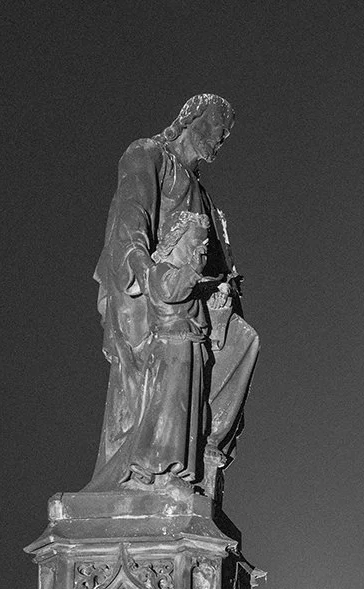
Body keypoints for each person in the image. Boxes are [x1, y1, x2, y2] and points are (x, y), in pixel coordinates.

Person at [88, 93, 260, 494]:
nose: (221, 138)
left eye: (226, 134)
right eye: (217, 126)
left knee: (243, 340)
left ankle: (209, 453)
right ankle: (159, 466)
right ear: (191, 117)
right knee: (180, 346)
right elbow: (129, 228)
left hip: (193, 298)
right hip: (153, 295)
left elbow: (217, 265)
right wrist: (152, 278)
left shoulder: (203, 194)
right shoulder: (148, 155)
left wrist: (223, 290)